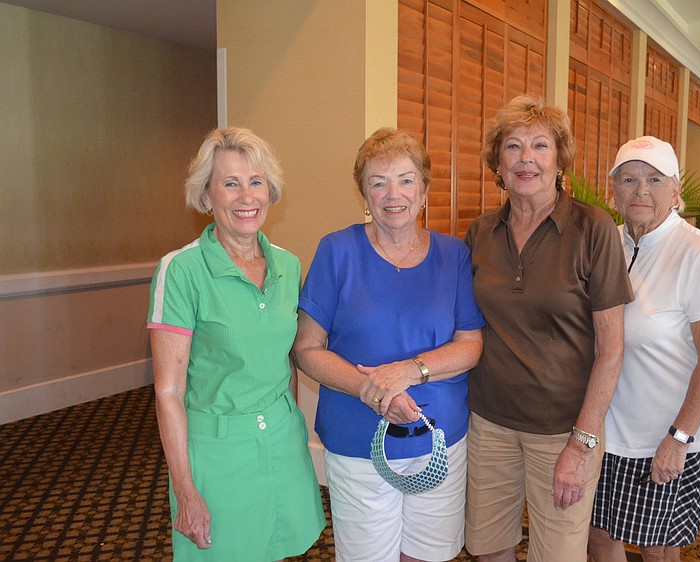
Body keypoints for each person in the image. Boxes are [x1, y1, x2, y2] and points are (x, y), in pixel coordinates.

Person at [292, 128, 485, 562]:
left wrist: (409, 371)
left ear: (423, 190)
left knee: (429, 555)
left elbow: (470, 344)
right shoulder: (337, 251)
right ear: (363, 193)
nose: (392, 193)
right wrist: (375, 391)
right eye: (377, 182)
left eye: (405, 179)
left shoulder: (453, 255)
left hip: (441, 439)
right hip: (358, 438)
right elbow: (307, 349)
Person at [463, 95, 634, 562]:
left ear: (559, 160)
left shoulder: (593, 229)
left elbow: (611, 351)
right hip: (488, 422)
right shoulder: (479, 233)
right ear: (497, 162)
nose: (526, 159)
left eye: (540, 146)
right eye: (513, 147)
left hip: (563, 430)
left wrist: (581, 445)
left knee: (557, 554)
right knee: (487, 547)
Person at [147, 127, 325, 561]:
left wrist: (297, 434)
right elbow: (167, 391)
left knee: (281, 549)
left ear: (271, 191)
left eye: (256, 182)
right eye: (230, 183)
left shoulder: (288, 264)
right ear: (207, 197)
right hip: (217, 453)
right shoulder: (181, 270)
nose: (247, 197)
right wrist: (186, 491)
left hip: (283, 442)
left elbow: (291, 362)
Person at [588, 136, 700, 562]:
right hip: (604, 433)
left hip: (665, 436)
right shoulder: (606, 243)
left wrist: (678, 438)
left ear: (676, 191)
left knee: (658, 550)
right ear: (612, 189)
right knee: (599, 538)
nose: (641, 191)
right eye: (629, 179)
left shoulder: (698, 253)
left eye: (655, 180)